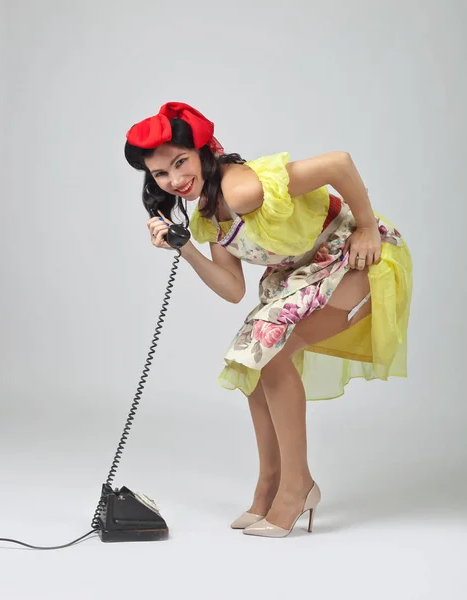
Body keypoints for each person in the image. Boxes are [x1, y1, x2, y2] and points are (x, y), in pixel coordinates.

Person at [124, 101, 412, 538]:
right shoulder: (207, 214)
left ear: (203, 153)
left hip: (352, 253)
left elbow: (339, 163)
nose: (174, 180)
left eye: (180, 162)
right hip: (302, 271)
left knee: (270, 352)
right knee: (257, 361)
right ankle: (270, 487)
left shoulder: (241, 188)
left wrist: (367, 227)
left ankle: (298, 488)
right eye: (161, 174)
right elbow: (232, 289)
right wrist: (184, 247)